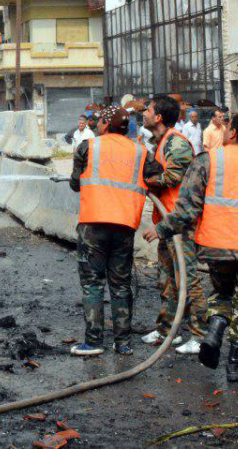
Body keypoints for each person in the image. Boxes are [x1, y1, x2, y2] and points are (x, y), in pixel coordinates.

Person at [156, 113, 238, 383]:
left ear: (233, 133)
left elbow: (186, 210)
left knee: (221, 294)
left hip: (217, 247)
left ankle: (214, 329)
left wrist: (162, 229)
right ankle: (236, 363)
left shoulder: (208, 160)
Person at [67, 105, 161, 357]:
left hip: (93, 225)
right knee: (120, 286)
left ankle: (94, 342)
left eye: (99, 122)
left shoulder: (88, 147)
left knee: (93, 284)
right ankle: (123, 344)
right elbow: (157, 177)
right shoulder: (142, 152)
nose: (96, 124)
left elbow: (75, 184)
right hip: (124, 227)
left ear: (106, 125)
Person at [139, 96, 205, 354]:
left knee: (187, 280)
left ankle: (199, 336)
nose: (144, 113)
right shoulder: (160, 142)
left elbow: (175, 175)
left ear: (158, 118)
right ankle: (168, 329)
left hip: (180, 223)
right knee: (167, 279)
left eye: (148, 109)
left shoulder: (177, 142)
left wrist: (145, 181)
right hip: (167, 222)